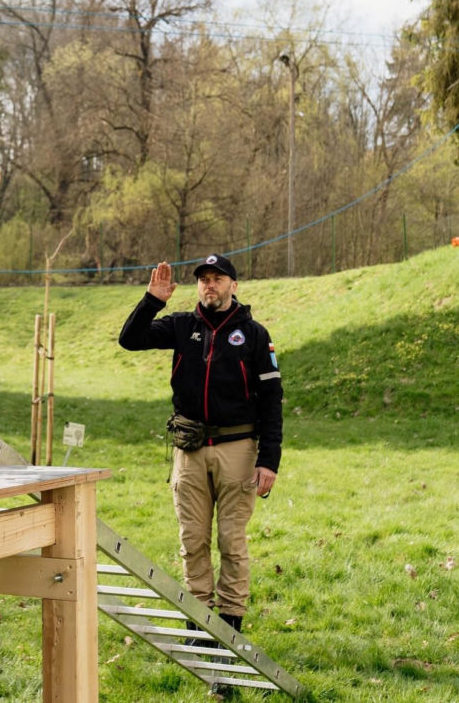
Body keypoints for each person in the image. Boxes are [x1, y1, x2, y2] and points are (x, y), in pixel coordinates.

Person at [118, 253, 282, 679]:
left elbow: (272, 402)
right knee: (192, 539)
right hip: (189, 450)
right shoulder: (180, 326)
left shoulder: (254, 334)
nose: (210, 285)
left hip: (238, 449)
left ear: (234, 286)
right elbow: (129, 340)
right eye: (204, 280)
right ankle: (198, 622)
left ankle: (230, 624)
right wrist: (152, 300)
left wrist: (269, 460)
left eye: (217, 279)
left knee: (231, 540)